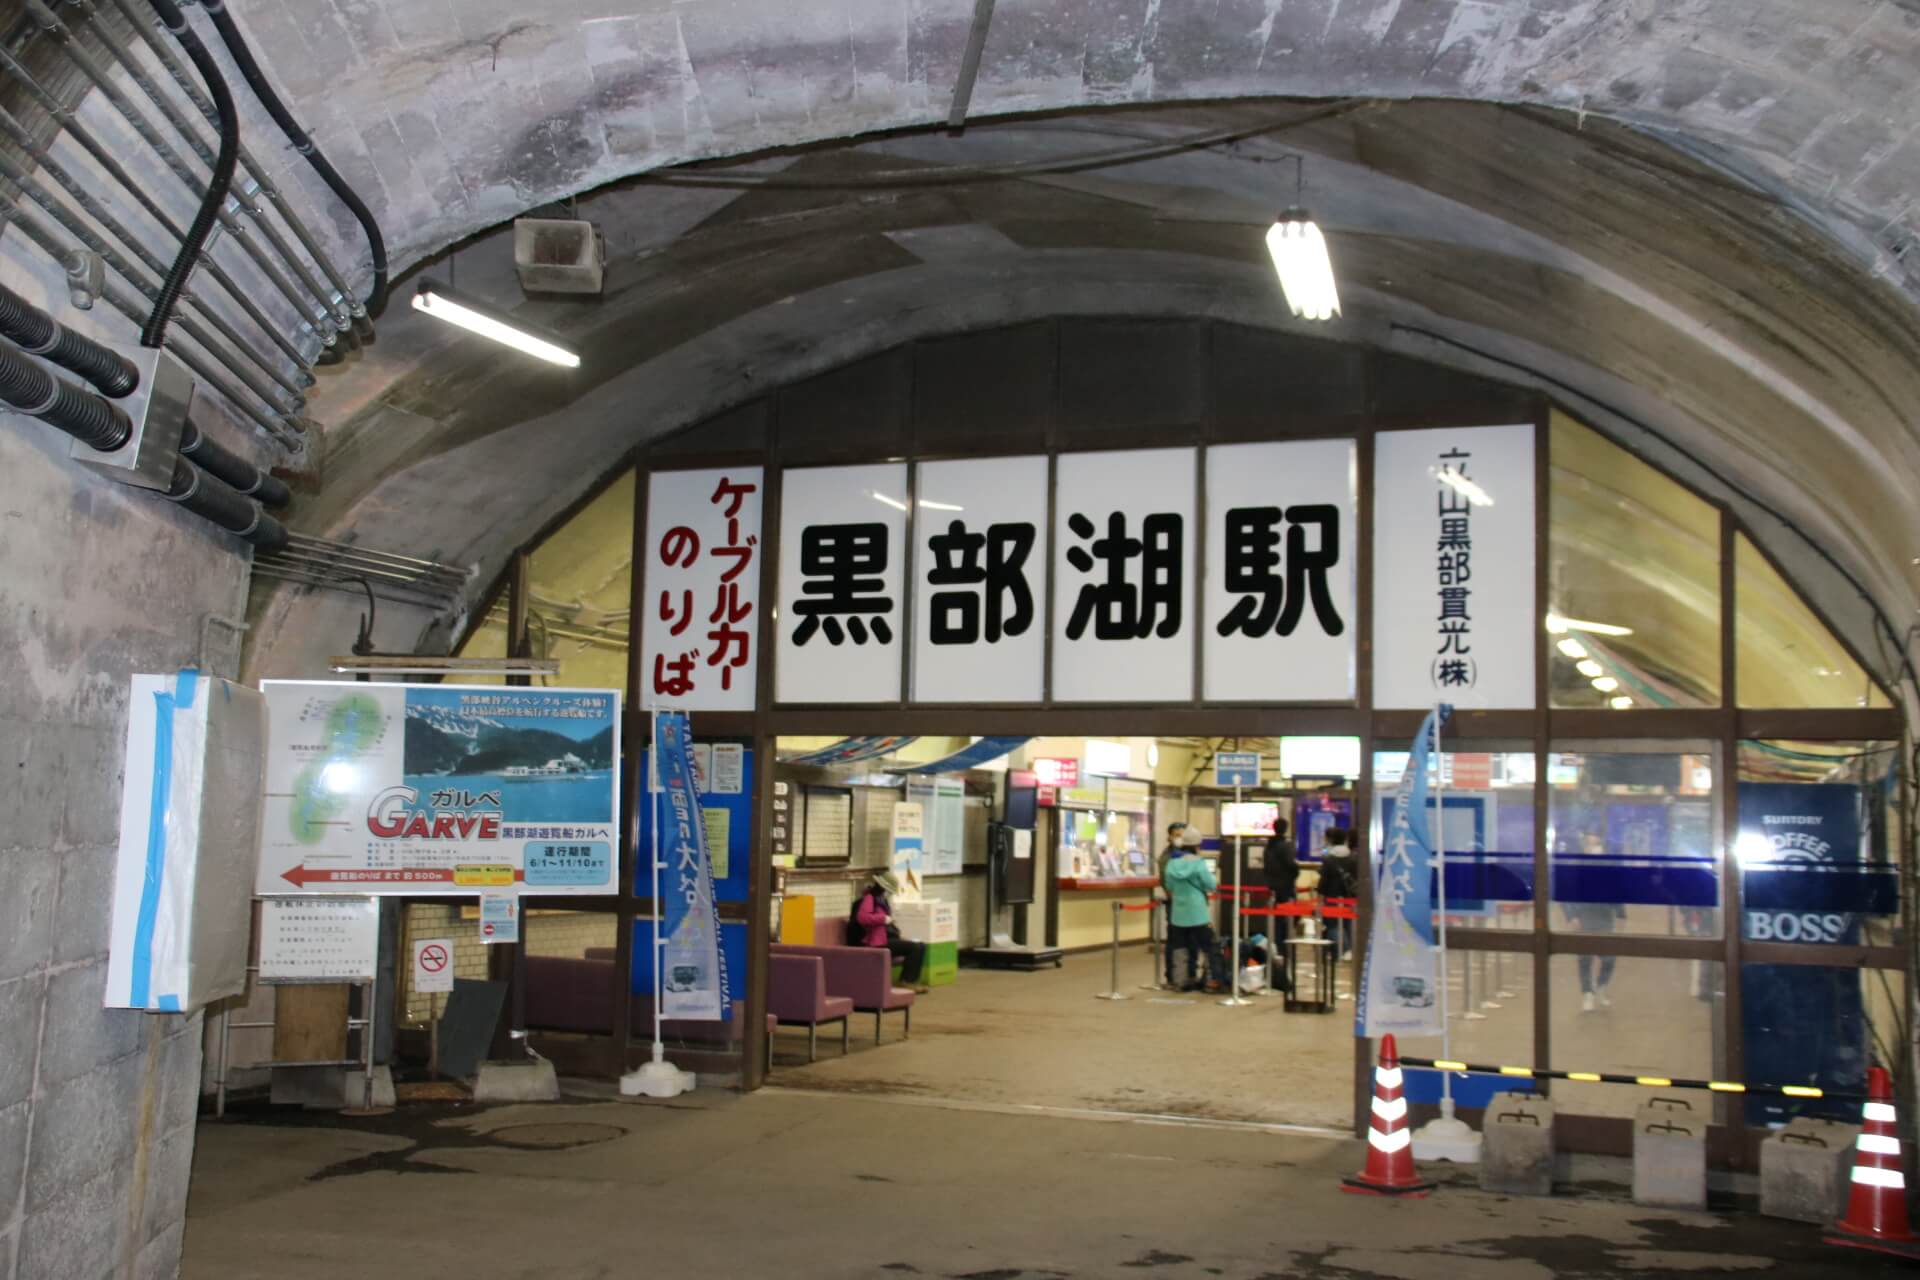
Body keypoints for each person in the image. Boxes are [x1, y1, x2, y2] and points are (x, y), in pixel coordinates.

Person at [851, 871, 930, 993]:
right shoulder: (869, 898)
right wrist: (883, 919)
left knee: (920, 946)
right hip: (874, 943)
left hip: (882, 939)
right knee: (915, 948)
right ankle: (907, 981)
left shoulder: (880, 900)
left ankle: (910, 980)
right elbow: (862, 917)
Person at [1163, 830, 1221, 992]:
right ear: (1196, 846)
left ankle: (1180, 981)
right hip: (1198, 913)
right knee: (1209, 947)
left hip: (1178, 914)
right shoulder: (1199, 863)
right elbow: (1211, 884)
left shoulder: (1172, 863)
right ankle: (1211, 981)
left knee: (1180, 948)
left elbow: (1169, 886)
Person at [1316, 827, 1358, 960]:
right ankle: (1351, 950)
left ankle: (1342, 950)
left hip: (1332, 896)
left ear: (1331, 840)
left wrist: (1320, 894)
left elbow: (1324, 881)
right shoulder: (1352, 857)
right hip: (1349, 896)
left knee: (1333, 925)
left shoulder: (1328, 859)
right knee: (1348, 923)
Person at [1155, 822, 1188, 988]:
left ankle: (1186, 974)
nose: (1180, 838)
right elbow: (1166, 884)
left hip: (1188, 905)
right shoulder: (1166, 857)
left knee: (1189, 941)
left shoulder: (1186, 854)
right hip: (1175, 905)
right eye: (1177, 835)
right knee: (1174, 940)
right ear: (1169, 837)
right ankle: (1172, 976)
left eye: (1182, 834)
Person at [1261, 819, 1298, 937]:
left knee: (1276, 918)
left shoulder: (1268, 846)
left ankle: (1276, 945)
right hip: (1286, 887)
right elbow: (1291, 865)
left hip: (1272, 885)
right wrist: (1295, 873)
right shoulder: (1286, 846)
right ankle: (1285, 946)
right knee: (1288, 918)